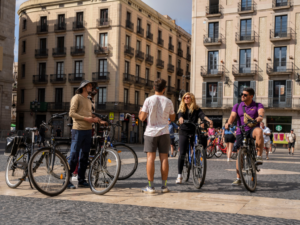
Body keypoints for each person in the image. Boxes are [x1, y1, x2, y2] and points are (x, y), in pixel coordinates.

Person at [68, 80, 107, 189]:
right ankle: (67, 181)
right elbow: (71, 113)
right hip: (78, 129)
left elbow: (90, 114)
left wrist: (99, 121)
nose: (91, 87)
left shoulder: (88, 100)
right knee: (74, 156)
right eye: (90, 86)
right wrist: (86, 119)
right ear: (84, 87)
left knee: (84, 156)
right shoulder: (76, 97)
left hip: (88, 131)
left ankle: (81, 180)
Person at [139, 78, 175, 194]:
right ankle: (164, 186)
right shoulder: (169, 101)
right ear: (164, 89)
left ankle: (150, 187)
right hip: (164, 132)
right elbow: (173, 118)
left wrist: (140, 111)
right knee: (164, 158)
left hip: (150, 133)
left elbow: (142, 118)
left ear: (154, 88)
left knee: (150, 158)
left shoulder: (148, 100)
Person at [225, 87, 265, 185]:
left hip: (252, 129)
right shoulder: (237, 105)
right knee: (240, 154)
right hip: (241, 130)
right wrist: (229, 123)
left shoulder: (257, 105)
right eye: (242, 94)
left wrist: (259, 117)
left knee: (259, 131)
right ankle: (238, 178)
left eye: (245, 95)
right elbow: (233, 116)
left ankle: (259, 156)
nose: (242, 96)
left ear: (251, 96)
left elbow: (261, 112)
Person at [176, 92, 212, 184]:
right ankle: (179, 175)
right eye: (184, 98)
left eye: (188, 97)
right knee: (182, 153)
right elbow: (180, 115)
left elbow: (202, 115)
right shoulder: (182, 109)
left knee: (197, 150)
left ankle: (199, 174)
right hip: (183, 131)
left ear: (192, 99)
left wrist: (208, 120)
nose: (186, 99)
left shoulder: (196, 109)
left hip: (194, 130)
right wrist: (180, 119)